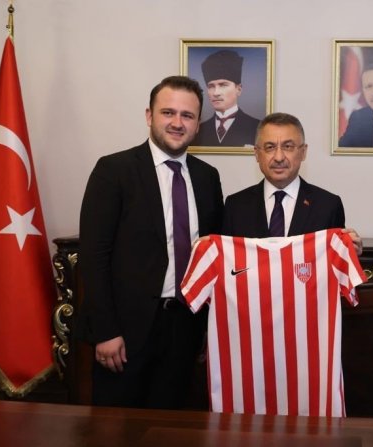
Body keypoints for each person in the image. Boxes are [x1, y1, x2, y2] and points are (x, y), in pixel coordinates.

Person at [78, 75, 224, 409]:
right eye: (168, 112)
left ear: (197, 125)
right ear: (149, 116)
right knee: (116, 428)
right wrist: (106, 331)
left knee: (171, 426)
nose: (177, 123)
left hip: (185, 329)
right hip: (124, 333)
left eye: (187, 115)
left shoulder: (207, 177)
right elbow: (94, 256)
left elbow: (215, 253)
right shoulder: (114, 171)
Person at [222, 112, 361, 253]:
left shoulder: (328, 206)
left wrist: (350, 250)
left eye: (288, 146)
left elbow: (336, 261)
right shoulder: (235, 206)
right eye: (270, 147)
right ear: (257, 154)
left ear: (303, 152)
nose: (279, 157)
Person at [191, 49, 260, 147]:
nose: (216, 93)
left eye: (223, 85)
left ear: (238, 89)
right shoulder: (198, 130)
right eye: (211, 86)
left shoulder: (257, 127)